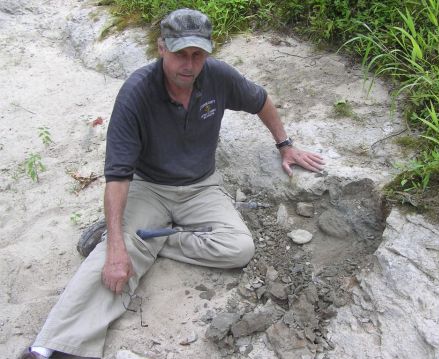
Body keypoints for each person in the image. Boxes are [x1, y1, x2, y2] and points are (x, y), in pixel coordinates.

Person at [21, 8, 325, 359]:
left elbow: (260, 100)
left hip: (202, 186)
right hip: (148, 186)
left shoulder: (219, 77)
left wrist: (285, 145)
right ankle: (50, 346)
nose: (189, 64)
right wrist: (119, 246)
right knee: (113, 259)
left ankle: (146, 240)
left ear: (208, 52)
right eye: (181, 53)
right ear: (161, 47)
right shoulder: (136, 92)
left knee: (239, 248)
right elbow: (118, 175)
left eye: (198, 55)